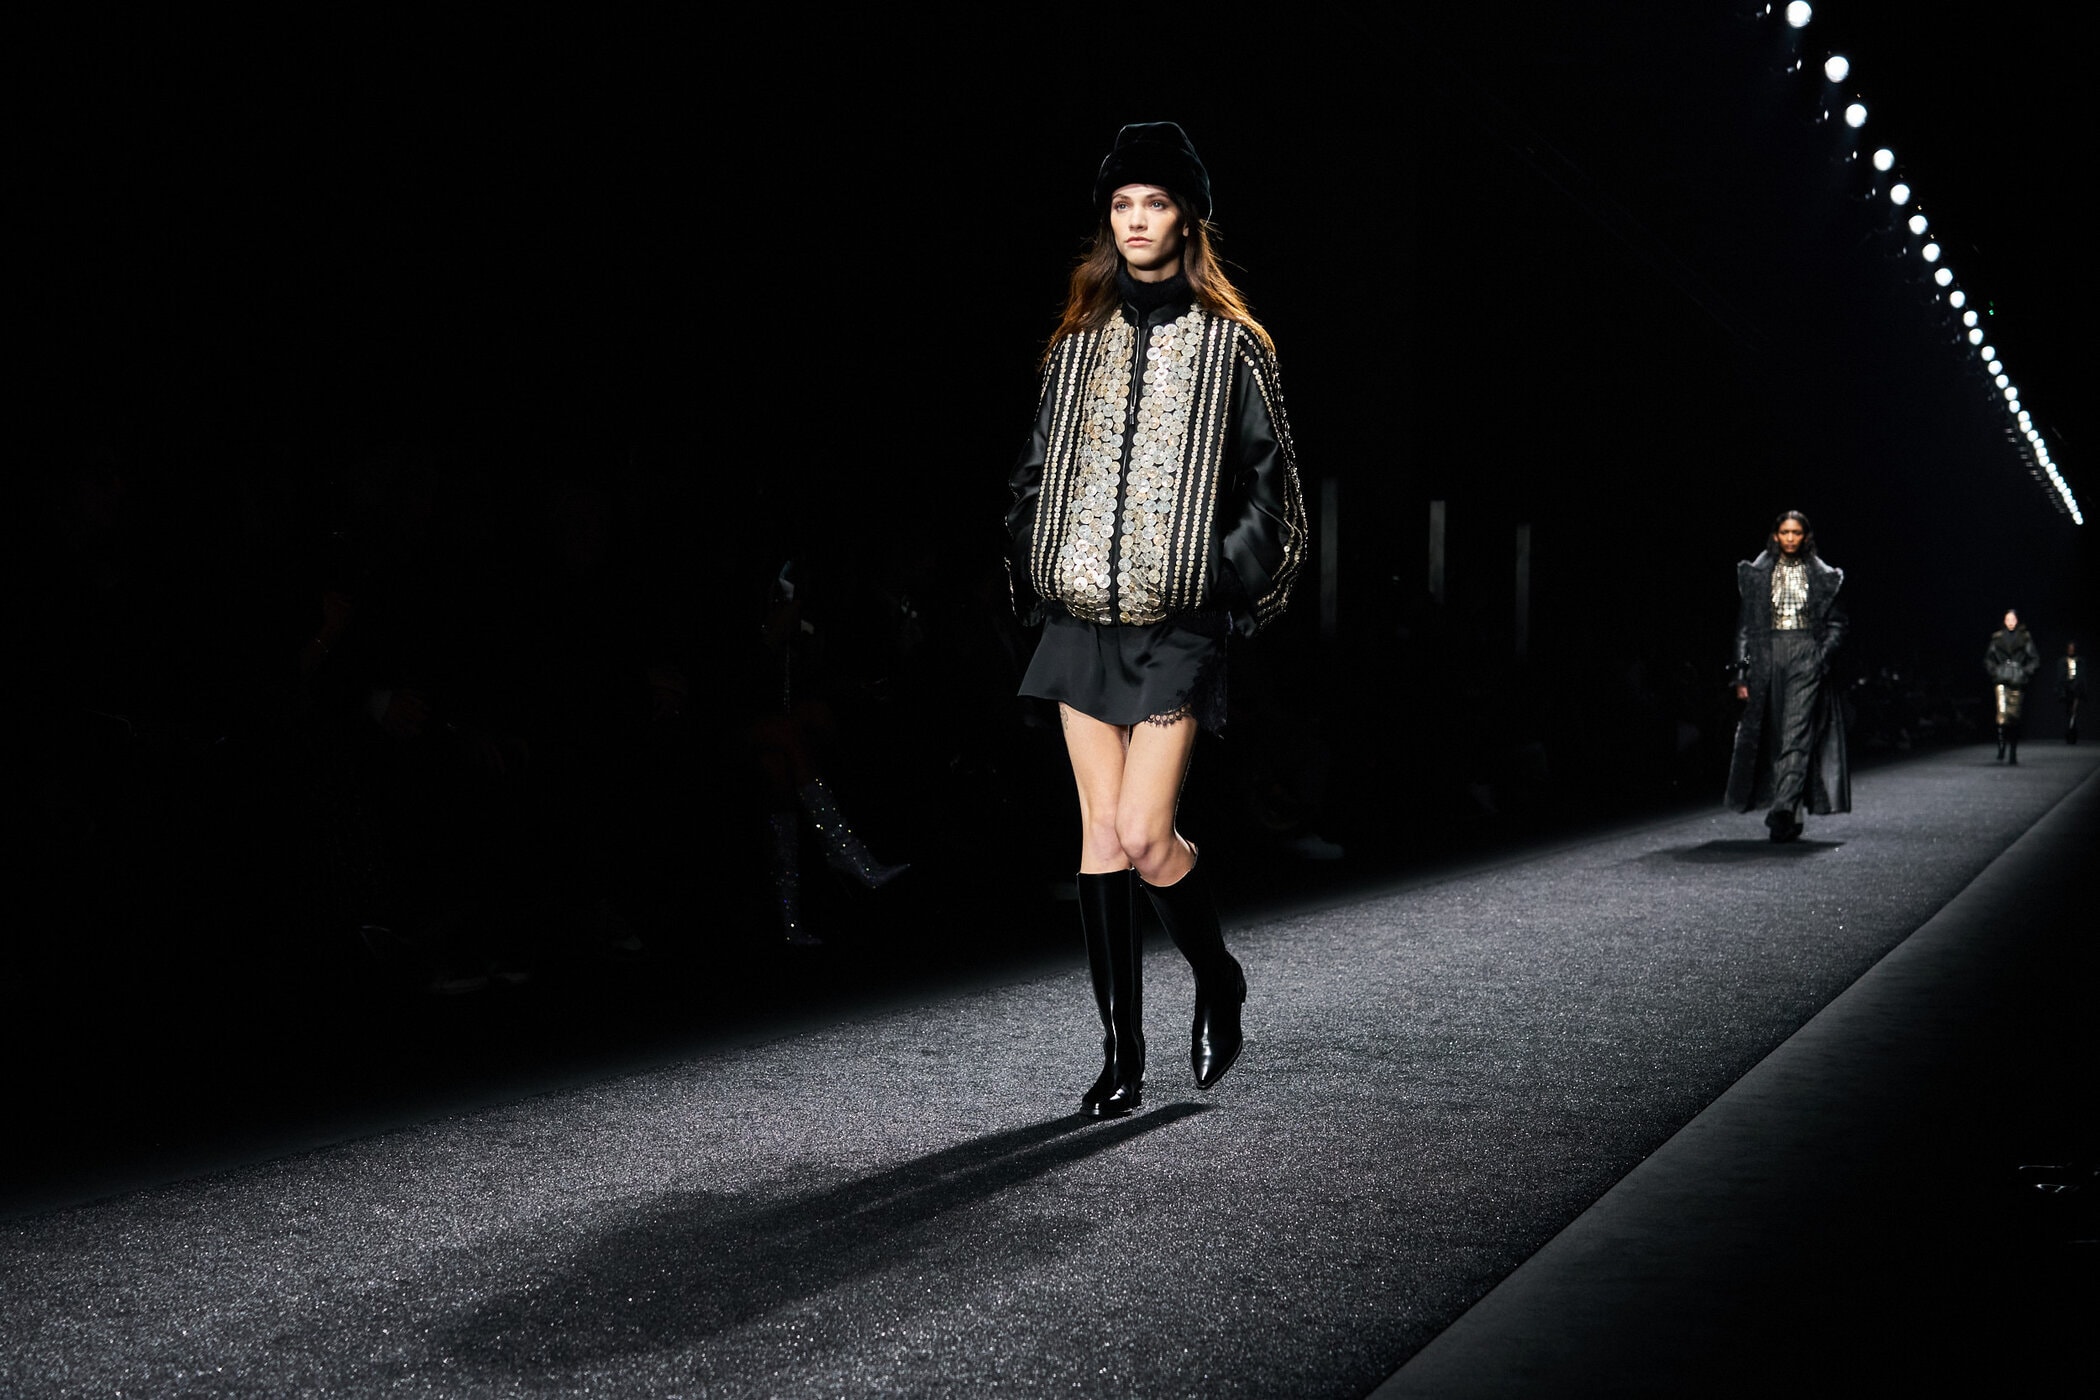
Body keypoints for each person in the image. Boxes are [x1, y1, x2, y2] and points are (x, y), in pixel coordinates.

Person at [1005, 122, 1306, 1119]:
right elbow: (1034, 475)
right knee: (1098, 833)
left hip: (1176, 621)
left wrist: (1211, 579)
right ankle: (1121, 1057)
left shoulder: (1232, 346)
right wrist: (1039, 561)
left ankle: (1218, 976)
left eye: (1157, 203)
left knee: (1144, 832)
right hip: (1080, 614)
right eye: (1123, 204)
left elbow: (1273, 493)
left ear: (1188, 218)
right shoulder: (1074, 348)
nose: (1137, 221)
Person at [1726, 510, 1849, 842]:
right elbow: (1745, 629)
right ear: (1775, 536)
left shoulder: (1823, 577)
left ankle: (1782, 807)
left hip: (1805, 653)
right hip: (1766, 657)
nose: (1791, 538)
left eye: (1796, 532)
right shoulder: (1756, 576)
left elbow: (1837, 624)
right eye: (1785, 532)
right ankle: (1790, 813)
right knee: (1775, 736)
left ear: (1805, 536)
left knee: (1796, 733)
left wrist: (1820, 657)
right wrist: (1741, 674)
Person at [1984, 609, 2041, 763]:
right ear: (2004, 621)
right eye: (2008, 619)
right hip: (2001, 678)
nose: (2010, 622)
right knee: (2002, 714)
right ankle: (2001, 747)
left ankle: (2012, 751)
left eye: (2013, 619)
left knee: (2014, 717)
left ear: (2017, 621)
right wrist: (1994, 671)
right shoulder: (1997, 638)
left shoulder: (2024, 637)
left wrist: (2024, 672)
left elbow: (2034, 659)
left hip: (2017, 679)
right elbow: (1988, 658)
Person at [2057, 640, 2082, 745]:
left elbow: (2082, 676)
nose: (2071, 651)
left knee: (2074, 712)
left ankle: (2073, 735)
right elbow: (2060, 676)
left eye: (2073, 649)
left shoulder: (2079, 661)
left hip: (2076, 688)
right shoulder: (2063, 661)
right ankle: (2068, 734)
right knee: (2067, 712)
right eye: (2069, 649)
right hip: (2066, 689)